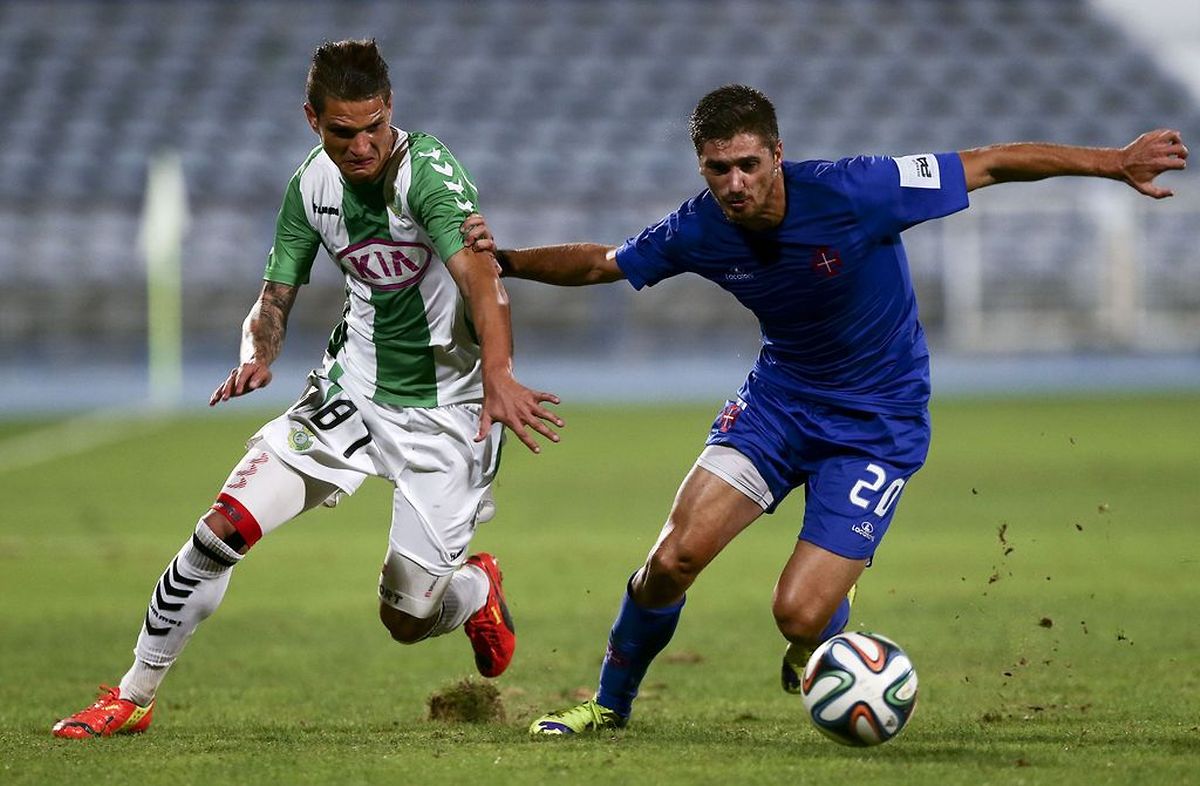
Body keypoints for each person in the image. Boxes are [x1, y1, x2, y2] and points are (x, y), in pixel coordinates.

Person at [459, 84, 1187, 735]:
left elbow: (988, 162)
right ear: (702, 169)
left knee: (798, 615)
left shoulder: (857, 190)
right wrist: (508, 260)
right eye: (719, 170)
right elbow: (605, 263)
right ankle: (610, 705)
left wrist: (1113, 161)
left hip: (877, 425)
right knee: (671, 559)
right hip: (778, 404)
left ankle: (818, 639)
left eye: (749, 164)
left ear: (778, 153)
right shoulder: (700, 227)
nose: (736, 184)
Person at [51, 39, 563, 739]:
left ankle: (474, 588)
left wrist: (500, 375)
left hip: (450, 414)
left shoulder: (431, 177)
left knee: (407, 620)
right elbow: (274, 295)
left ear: (391, 112)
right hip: (349, 394)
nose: (361, 146)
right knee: (220, 530)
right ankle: (132, 695)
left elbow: (482, 278)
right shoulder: (309, 187)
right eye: (342, 132)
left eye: (374, 126)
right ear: (312, 121)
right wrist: (257, 354)